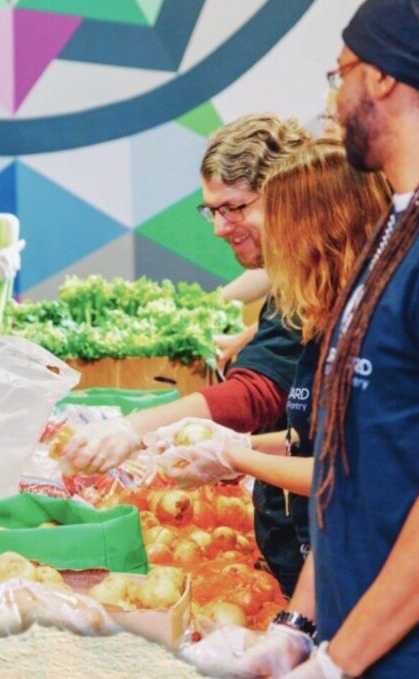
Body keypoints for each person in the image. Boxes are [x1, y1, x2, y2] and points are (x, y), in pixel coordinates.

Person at [237, 1, 419, 677]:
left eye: (338, 73)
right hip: (360, 642)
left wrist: (336, 661)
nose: (331, 99)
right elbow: (355, 466)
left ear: (380, 79)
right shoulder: (400, 227)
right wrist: (298, 626)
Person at [61, 113, 311, 595]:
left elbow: (258, 395)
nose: (220, 226)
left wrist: (137, 429)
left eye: (234, 207)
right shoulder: (289, 279)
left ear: (285, 192)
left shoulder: (311, 280)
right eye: (212, 210)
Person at [154, 138, 390, 558]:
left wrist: (233, 455)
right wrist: (237, 446)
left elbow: (347, 472)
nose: (223, 228)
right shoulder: (326, 314)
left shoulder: (379, 325)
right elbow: (313, 441)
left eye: (238, 209)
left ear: (326, 229)